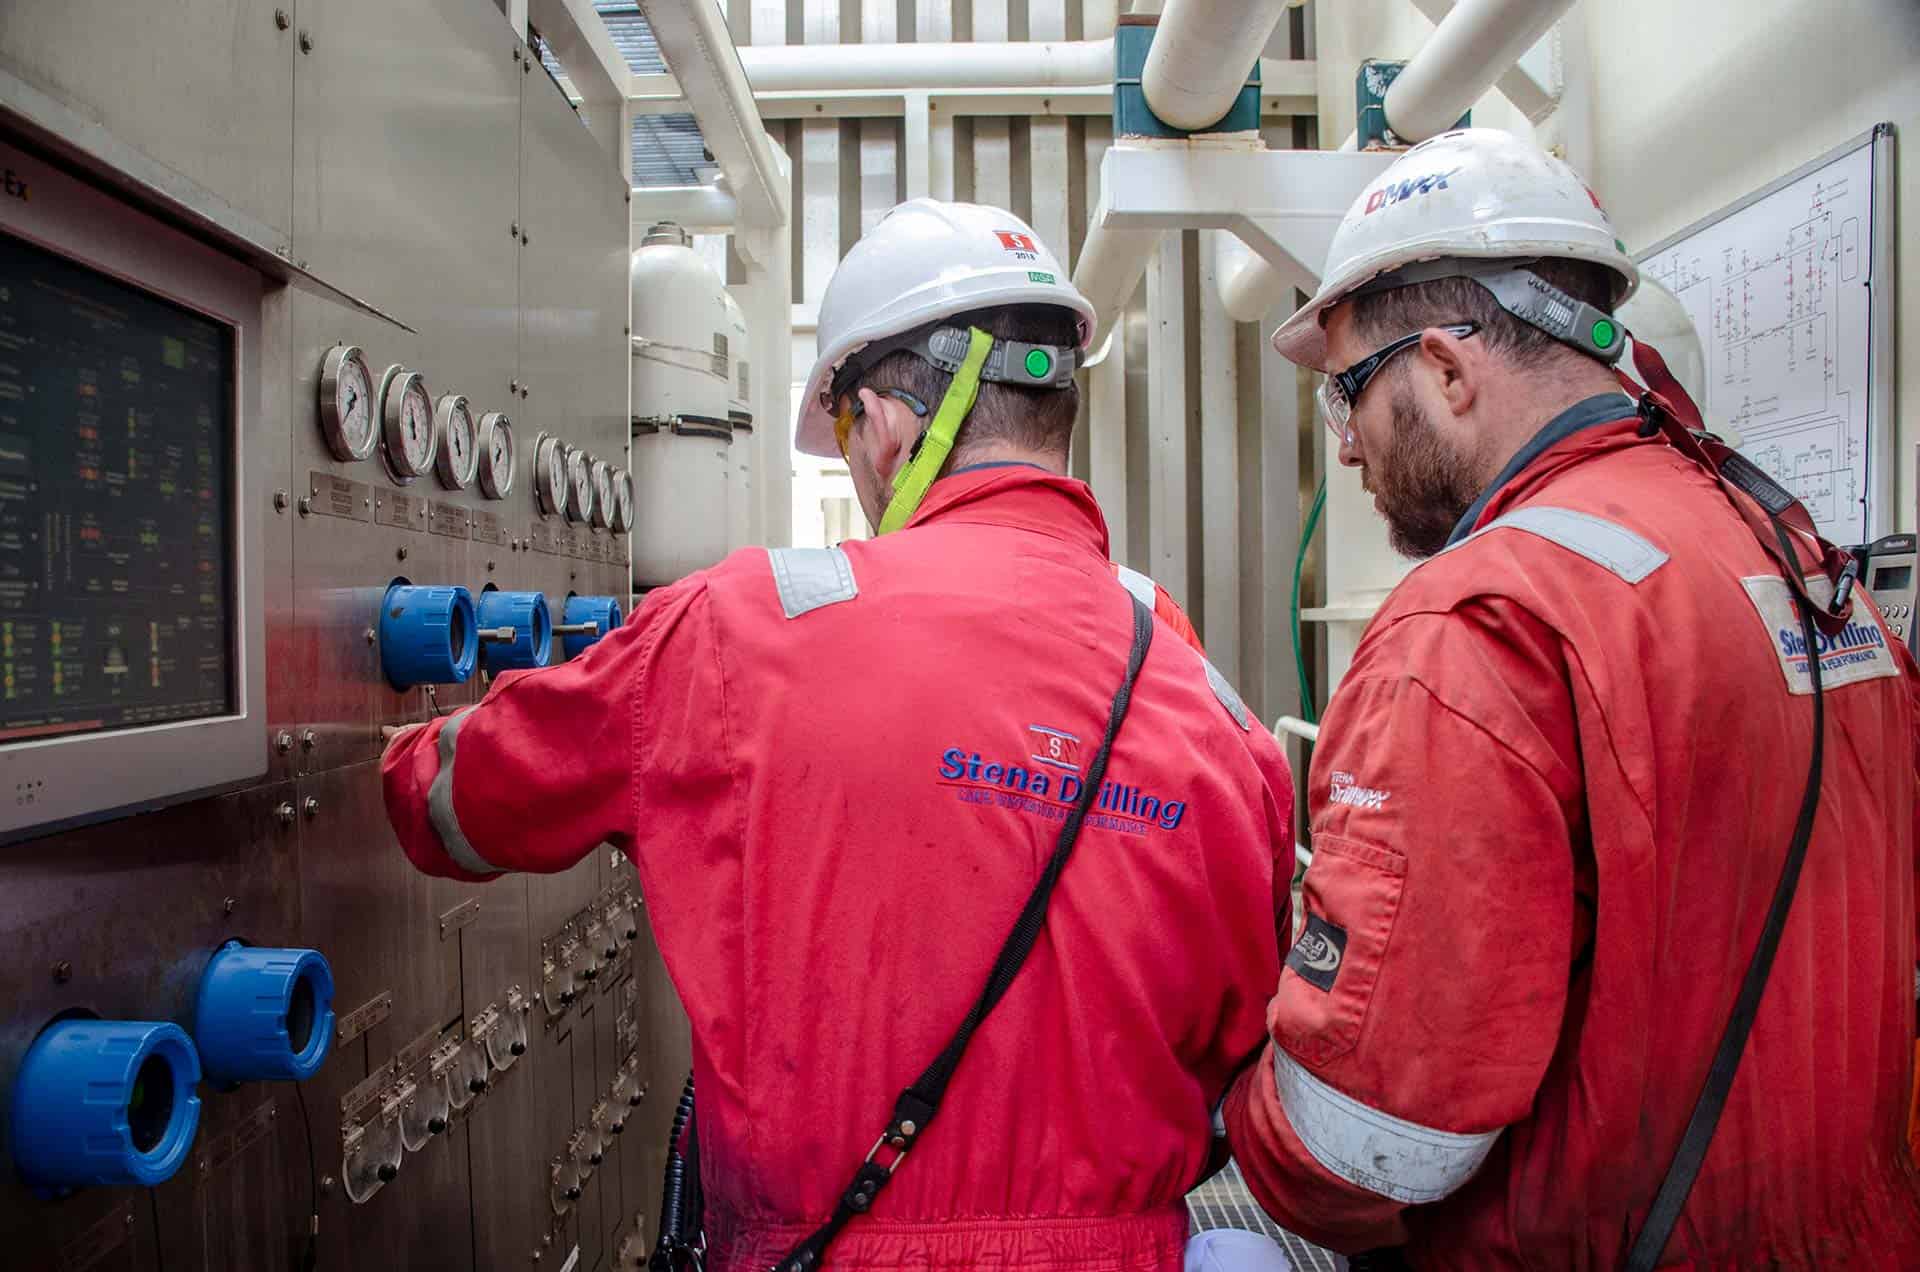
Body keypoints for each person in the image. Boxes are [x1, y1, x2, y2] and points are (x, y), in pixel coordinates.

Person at [382, 198, 1297, 1272]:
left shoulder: (741, 628)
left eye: (852, 436)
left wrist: (378, 728)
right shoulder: (1206, 699)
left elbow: (455, 806)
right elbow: (1243, 1046)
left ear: (895, 421)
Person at [1221, 128, 1920, 1266]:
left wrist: (1236, 1119)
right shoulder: (1802, 560)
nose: (1347, 452)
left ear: (1446, 369)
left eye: (1349, 395)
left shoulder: (1479, 625)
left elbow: (1369, 1139)